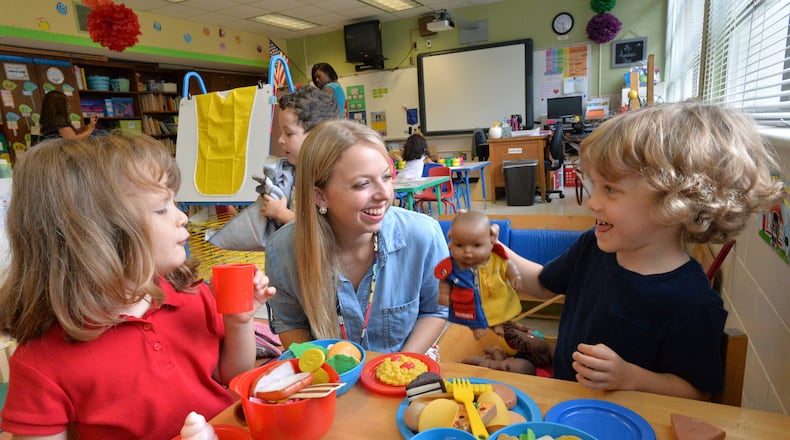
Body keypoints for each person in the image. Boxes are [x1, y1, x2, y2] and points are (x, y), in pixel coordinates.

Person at [0, 133, 276, 439]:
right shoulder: (43, 360)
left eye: (175, 203)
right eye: (161, 209)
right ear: (99, 235)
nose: (182, 217)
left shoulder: (190, 293)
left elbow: (232, 375)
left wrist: (239, 323)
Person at [503, 101, 784, 400]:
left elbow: (698, 394)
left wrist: (631, 377)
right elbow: (542, 283)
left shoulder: (694, 301)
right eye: (595, 185)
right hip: (565, 404)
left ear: (674, 203)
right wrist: (496, 250)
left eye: (610, 189)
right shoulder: (593, 247)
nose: (592, 203)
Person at [265, 119, 449, 354]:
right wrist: (325, 369)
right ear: (320, 196)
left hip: (407, 370)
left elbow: (435, 310)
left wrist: (400, 365)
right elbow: (290, 324)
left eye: (386, 177)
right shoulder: (281, 251)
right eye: (362, 184)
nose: (384, 194)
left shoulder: (423, 235)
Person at [435, 210, 523, 341]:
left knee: (500, 310)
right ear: (450, 242)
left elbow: (509, 266)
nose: (467, 252)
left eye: (476, 245)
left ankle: (499, 324)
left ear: (491, 240)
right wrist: (444, 294)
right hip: (467, 301)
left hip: (495, 296)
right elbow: (445, 281)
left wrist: (515, 276)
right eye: (459, 245)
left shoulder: (496, 258)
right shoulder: (451, 266)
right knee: (470, 316)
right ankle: (475, 327)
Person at [259, 86, 340, 226]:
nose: (280, 140)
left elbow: (324, 228)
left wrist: (281, 213)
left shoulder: (330, 176)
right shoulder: (295, 170)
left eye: (289, 133)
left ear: (317, 136)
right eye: (281, 133)